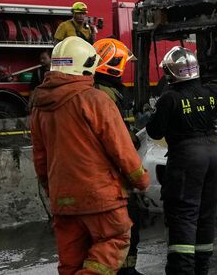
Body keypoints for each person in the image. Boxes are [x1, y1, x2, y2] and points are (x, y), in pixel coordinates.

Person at [31, 36, 150, 275]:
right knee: (115, 239)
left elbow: (40, 159)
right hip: (101, 197)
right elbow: (121, 148)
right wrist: (141, 180)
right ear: (86, 65)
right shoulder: (96, 100)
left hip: (63, 201)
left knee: (71, 263)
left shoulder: (39, 107)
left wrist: (52, 189)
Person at [146, 45, 217, 274]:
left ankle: (182, 270)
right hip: (213, 154)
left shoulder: (169, 98)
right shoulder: (211, 92)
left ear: (170, 73)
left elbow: (154, 132)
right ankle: (201, 267)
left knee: (184, 213)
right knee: (206, 212)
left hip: (186, 157)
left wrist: (153, 113)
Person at [92, 38, 144, 275]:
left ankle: (125, 269)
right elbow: (116, 139)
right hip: (110, 176)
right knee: (128, 221)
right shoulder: (105, 95)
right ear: (112, 65)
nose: (125, 70)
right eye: (123, 64)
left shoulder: (98, 91)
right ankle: (125, 271)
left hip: (99, 176)